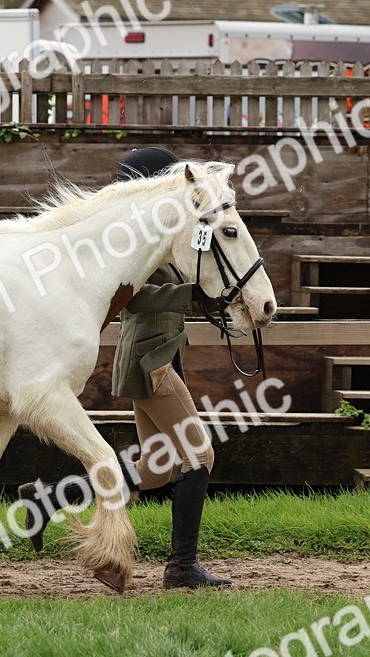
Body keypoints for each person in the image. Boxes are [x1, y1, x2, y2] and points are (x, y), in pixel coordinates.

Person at [17, 147, 232, 590]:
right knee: (200, 457)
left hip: (157, 358)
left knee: (153, 468)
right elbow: (135, 297)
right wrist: (195, 295)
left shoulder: (160, 236)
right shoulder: (129, 243)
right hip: (149, 361)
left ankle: (46, 500)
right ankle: (181, 567)